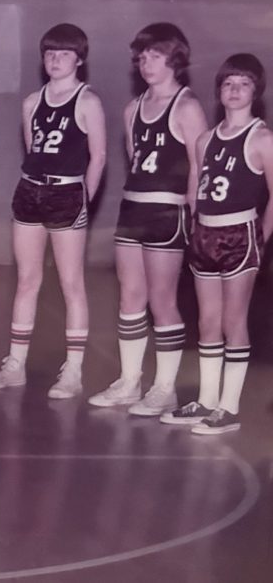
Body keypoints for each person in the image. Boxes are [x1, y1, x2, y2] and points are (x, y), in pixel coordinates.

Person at [88, 23, 207, 415]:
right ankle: (129, 380)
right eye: (142, 56)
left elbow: (199, 166)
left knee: (162, 299)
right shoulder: (132, 109)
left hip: (167, 210)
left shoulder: (187, 107)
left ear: (174, 59)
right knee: (130, 297)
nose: (146, 63)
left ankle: (165, 387)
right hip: (132, 208)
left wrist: (194, 214)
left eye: (155, 56)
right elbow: (135, 159)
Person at [0, 24, 105, 397]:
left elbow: (98, 156)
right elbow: (31, 149)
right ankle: (15, 364)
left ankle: (74, 371)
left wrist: (85, 199)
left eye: (64, 53)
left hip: (68, 193)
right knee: (27, 280)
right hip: (30, 191)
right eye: (50, 53)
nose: (55, 59)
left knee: (71, 283)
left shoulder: (88, 102)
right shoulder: (31, 102)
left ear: (79, 59)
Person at [161, 54, 273, 434]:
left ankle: (229, 407)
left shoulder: (262, 139)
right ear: (219, 91)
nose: (234, 90)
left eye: (243, 84)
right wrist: (194, 227)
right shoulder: (205, 139)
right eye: (227, 84)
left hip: (240, 235)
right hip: (205, 234)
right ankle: (207, 400)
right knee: (207, 322)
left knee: (232, 320)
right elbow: (197, 188)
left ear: (256, 92)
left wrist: (261, 238)